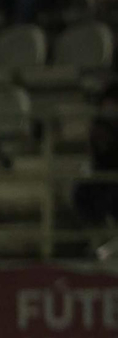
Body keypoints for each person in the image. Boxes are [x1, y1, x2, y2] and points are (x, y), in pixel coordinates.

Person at [74, 83, 118, 262]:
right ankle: (100, 241)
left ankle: (109, 248)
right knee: (82, 192)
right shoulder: (100, 125)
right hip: (104, 171)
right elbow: (97, 152)